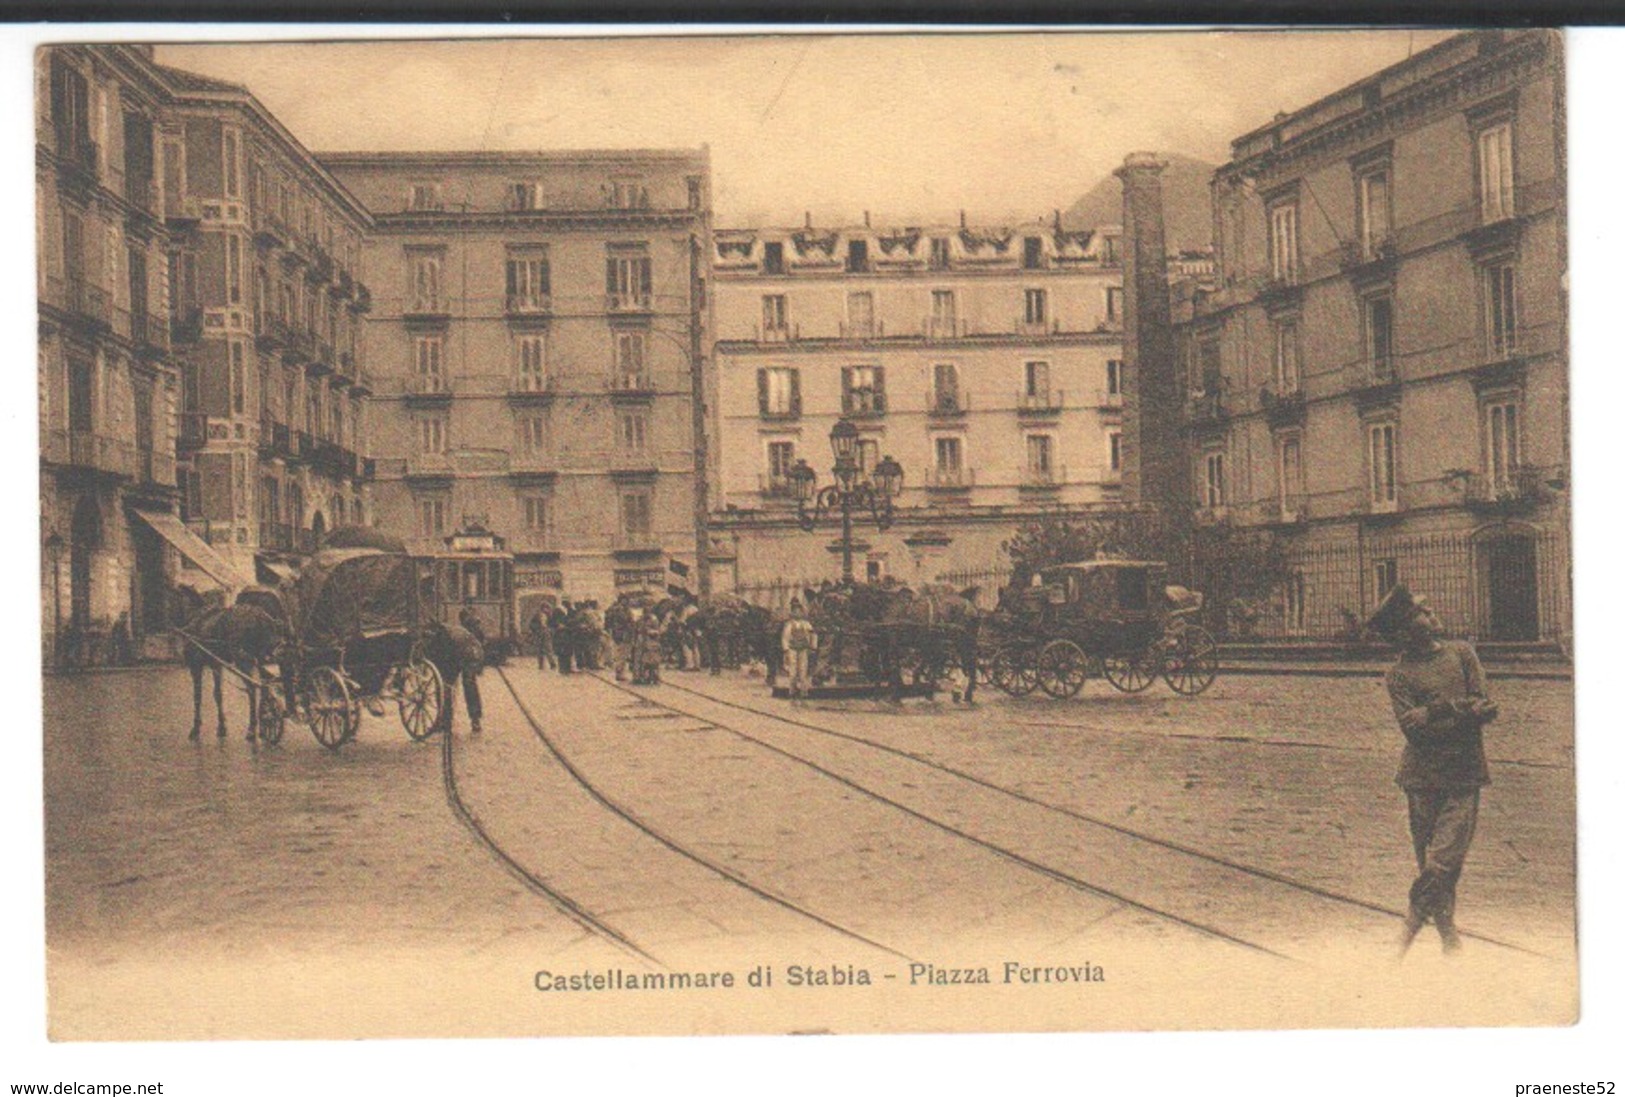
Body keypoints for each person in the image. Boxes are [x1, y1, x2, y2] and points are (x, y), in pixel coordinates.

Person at [1368, 584, 1499, 956]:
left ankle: (1402, 941)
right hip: (1420, 780)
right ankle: (1450, 944)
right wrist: (1460, 712)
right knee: (1438, 867)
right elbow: (1414, 732)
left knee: (1441, 864)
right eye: (1423, 612)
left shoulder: (1462, 654)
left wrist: (1434, 710)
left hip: (1463, 775)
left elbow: (1486, 707)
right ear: (1409, 629)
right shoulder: (1398, 676)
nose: (1432, 613)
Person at [427, 617, 485, 736]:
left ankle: (448, 720)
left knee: (451, 686)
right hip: (468, 654)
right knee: (468, 685)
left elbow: (442, 658)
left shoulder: (442, 637)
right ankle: (473, 720)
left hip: (465, 656)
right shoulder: (455, 631)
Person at [781, 598, 818, 698]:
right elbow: (785, 637)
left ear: (802, 612)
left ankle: (804, 691)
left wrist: (813, 647)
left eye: (799, 611)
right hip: (792, 649)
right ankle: (792, 691)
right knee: (792, 670)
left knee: (803, 670)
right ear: (792, 613)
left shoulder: (806, 624)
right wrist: (786, 649)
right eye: (795, 611)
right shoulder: (789, 625)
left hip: (803, 649)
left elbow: (813, 635)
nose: (797, 613)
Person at [553, 599, 574, 674]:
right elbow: (560, 625)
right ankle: (564, 669)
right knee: (564, 652)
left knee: (565, 652)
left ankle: (565, 669)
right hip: (563, 636)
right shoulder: (561, 613)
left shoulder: (560, 612)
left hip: (563, 636)